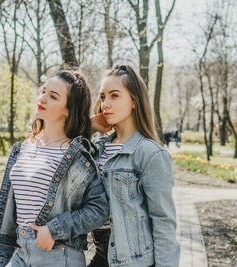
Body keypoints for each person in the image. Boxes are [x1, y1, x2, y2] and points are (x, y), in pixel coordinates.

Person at [0, 70, 109, 267]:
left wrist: (54, 229)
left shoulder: (78, 155)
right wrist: (2, 260)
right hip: (20, 253)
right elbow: (10, 216)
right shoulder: (22, 148)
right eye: (43, 91)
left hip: (58, 255)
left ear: (68, 110)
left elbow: (98, 210)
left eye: (53, 96)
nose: (43, 98)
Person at [88, 65, 180, 267]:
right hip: (102, 255)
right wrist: (86, 126)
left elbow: (163, 221)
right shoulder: (96, 149)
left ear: (134, 101)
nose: (105, 104)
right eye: (102, 97)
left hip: (135, 261)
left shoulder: (150, 154)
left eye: (114, 96)